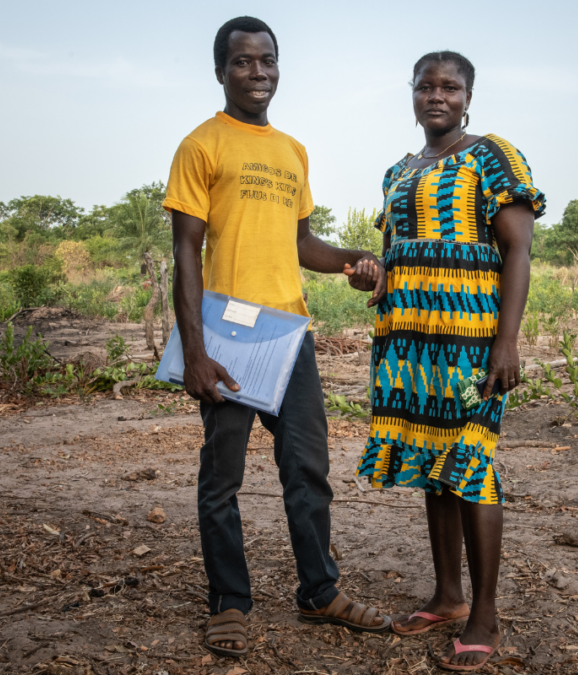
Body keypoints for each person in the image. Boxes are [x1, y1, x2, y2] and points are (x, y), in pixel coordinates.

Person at [163, 16, 392, 659]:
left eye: (267, 60)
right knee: (223, 479)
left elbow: (300, 243)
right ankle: (229, 602)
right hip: (228, 339)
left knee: (307, 470)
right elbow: (186, 253)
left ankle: (320, 591)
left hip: (288, 335)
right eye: (242, 62)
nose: (257, 72)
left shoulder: (292, 150)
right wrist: (197, 353)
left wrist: (353, 259)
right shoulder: (201, 145)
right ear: (220, 71)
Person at [355, 51, 545, 671]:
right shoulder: (398, 172)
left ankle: (485, 613)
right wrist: (371, 277)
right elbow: (394, 255)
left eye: (450, 87)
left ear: (468, 96)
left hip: (469, 339)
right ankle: (447, 596)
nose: (437, 96)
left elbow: (517, 250)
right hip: (408, 341)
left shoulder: (492, 156)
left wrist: (506, 340)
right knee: (434, 465)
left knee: (470, 460)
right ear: (411, 94)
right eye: (426, 86)